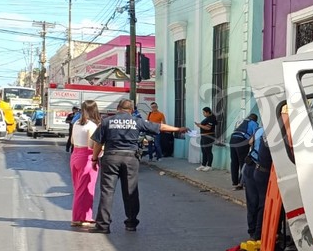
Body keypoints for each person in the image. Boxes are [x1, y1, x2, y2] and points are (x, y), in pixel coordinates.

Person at [90, 99, 187, 234]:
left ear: (118, 109)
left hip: (111, 157)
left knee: (107, 192)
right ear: (131, 110)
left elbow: (98, 143)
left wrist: (94, 159)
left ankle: (103, 225)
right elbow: (160, 127)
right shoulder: (137, 121)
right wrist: (178, 129)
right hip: (130, 158)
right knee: (131, 191)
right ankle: (131, 223)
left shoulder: (106, 122)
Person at [69, 100, 100, 227]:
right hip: (86, 157)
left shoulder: (76, 122)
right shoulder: (92, 126)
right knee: (85, 189)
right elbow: (91, 144)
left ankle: (84, 216)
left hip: (75, 155)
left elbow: (72, 140)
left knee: (78, 188)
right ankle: (78, 218)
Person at [242, 124, 273, 240]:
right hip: (257, 168)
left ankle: (254, 232)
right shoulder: (273, 132)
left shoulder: (261, 129)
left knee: (253, 202)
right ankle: (256, 234)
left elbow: (250, 142)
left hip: (251, 166)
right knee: (260, 202)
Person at [228, 113, 259, 189]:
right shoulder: (254, 123)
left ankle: (234, 182)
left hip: (232, 139)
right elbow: (255, 136)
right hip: (241, 140)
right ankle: (241, 183)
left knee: (234, 161)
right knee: (243, 162)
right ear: (255, 119)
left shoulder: (241, 121)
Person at [195, 106, 217, 171]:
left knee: (208, 151)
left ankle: (209, 165)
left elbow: (208, 128)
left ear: (208, 112)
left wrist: (200, 125)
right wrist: (200, 124)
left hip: (209, 136)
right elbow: (204, 125)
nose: (203, 114)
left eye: (204, 112)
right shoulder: (207, 118)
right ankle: (203, 164)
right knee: (203, 151)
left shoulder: (211, 118)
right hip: (203, 136)